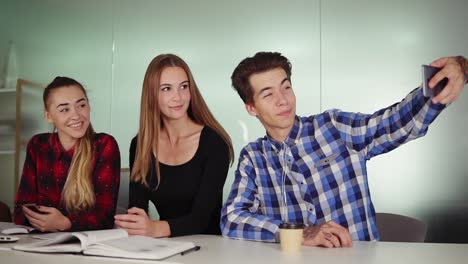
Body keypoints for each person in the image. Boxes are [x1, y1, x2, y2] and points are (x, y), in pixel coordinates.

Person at [221, 52, 467, 247]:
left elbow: (396, 122)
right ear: (251, 108)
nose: (283, 100)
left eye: (286, 87)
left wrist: (453, 73)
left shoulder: (334, 127)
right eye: (268, 94)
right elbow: (232, 219)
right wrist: (299, 234)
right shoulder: (253, 157)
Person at [114, 54, 234, 237]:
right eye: (166, 89)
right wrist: (130, 225)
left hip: (209, 248)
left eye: (183, 87)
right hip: (161, 247)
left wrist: (154, 228)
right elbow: (137, 210)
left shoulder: (215, 143)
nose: (177, 97)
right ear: (152, 94)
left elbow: (200, 219)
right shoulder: (140, 144)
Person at [14, 76, 121, 232]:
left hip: (85, 247)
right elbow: (20, 211)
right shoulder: (38, 145)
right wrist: (44, 222)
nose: (76, 115)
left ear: (89, 107)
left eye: (81, 105)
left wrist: (65, 223)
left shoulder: (104, 145)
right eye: (65, 109)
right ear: (49, 116)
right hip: (39, 242)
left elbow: (104, 217)